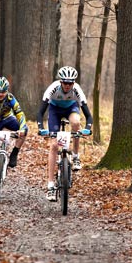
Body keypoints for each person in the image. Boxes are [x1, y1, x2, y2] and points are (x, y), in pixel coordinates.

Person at [37, 66, 92, 201]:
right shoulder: (53, 89)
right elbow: (40, 112)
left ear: (73, 83)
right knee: (54, 146)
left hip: (71, 108)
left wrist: (88, 128)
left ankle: (75, 155)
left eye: (70, 83)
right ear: (60, 82)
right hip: (54, 110)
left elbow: (88, 116)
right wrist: (40, 128)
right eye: (65, 83)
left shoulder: (77, 90)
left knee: (76, 123)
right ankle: (50, 185)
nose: (67, 86)